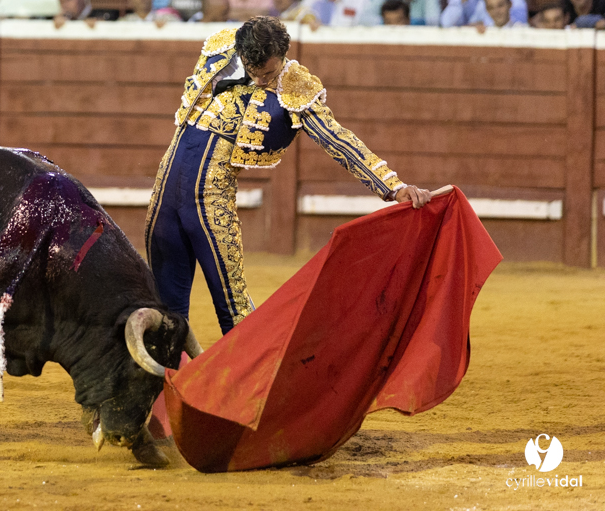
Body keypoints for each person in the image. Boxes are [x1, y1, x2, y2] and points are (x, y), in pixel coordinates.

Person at [145, 18, 432, 333]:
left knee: (233, 303)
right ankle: (166, 379)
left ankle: (249, 380)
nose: (262, 80)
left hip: (209, 198)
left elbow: (338, 139)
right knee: (165, 306)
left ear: (283, 54)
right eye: (254, 71)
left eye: (269, 73)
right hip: (165, 190)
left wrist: (394, 186)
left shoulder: (294, 86)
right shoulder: (222, 47)